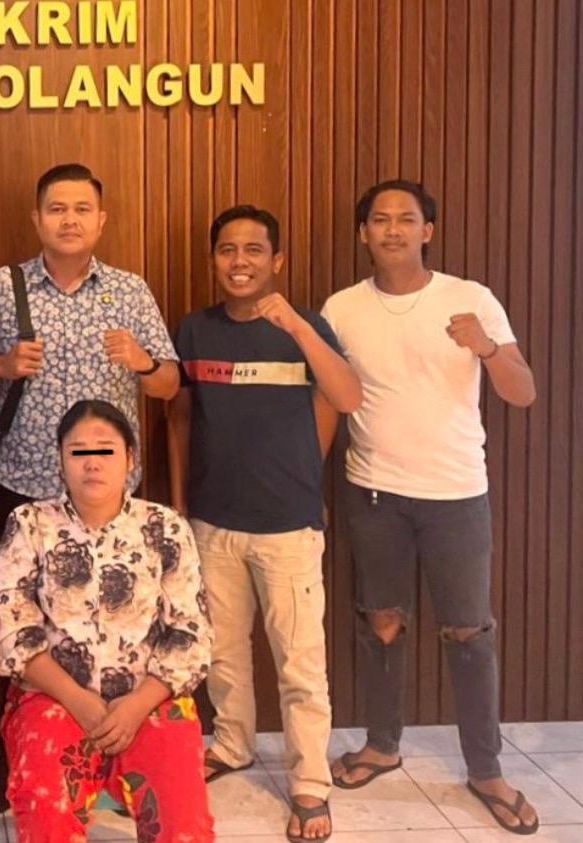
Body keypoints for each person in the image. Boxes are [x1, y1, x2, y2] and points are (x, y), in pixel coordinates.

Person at [0, 163, 180, 812]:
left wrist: (143, 362)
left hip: (112, 500)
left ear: (100, 220)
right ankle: (14, 754)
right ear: (36, 218)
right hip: (26, 489)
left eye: (81, 209)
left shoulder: (128, 290)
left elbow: (169, 385)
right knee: (22, 623)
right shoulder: (4, 286)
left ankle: (118, 757)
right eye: (56, 208)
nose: (69, 219)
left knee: (119, 627)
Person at [322, 180, 539, 835]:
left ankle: (486, 769)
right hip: (373, 492)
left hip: (456, 495)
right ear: (362, 233)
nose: (392, 229)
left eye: (405, 219)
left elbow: (522, 391)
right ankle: (381, 746)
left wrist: (487, 347)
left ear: (427, 231)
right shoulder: (340, 308)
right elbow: (328, 395)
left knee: (469, 632)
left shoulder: (470, 298)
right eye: (379, 219)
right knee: (380, 623)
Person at [168, 205, 361, 842]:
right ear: (213, 260)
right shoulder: (195, 329)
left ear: (277, 260)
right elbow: (180, 417)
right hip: (212, 522)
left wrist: (299, 328)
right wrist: (181, 502)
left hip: (287, 527)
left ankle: (310, 783)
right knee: (222, 651)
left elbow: (346, 398)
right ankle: (233, 743)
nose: (240, 261)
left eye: (254, 250)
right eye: (228, 250)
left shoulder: (307, 326)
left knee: (299, 662)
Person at [0, 399, 214, 842]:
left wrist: (137, 704)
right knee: (46, 813)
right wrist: (78, 700)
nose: (92, 463)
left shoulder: (164, 526)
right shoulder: (31, 524)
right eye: (78, 451)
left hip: (150, 696)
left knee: (184, 822)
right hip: (54, 696)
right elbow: (11, 629)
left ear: (130, 458)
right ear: (61, 460)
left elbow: (191, 632)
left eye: (105, 450)